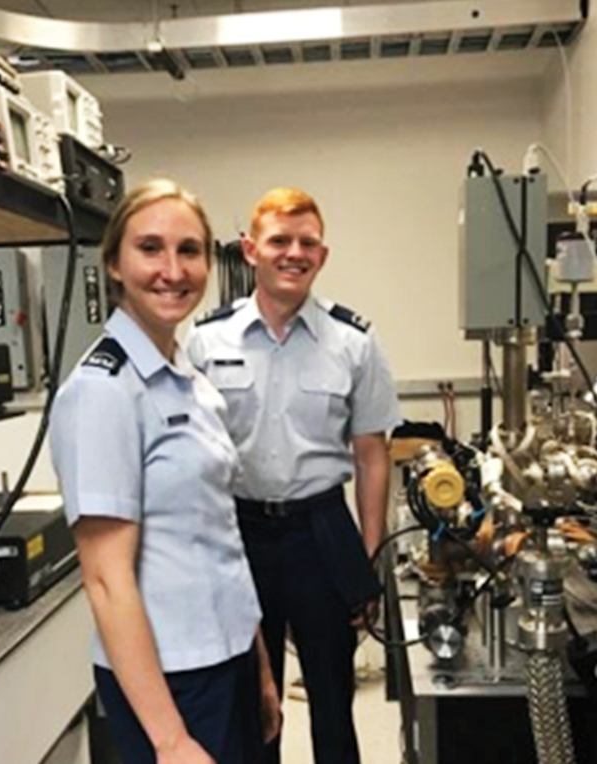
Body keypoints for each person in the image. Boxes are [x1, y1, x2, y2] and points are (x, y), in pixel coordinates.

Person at [49, 178, 281, 764]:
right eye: (150, 248)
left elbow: (217, 537)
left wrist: (256, 665)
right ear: (114, 264)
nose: (172, 270)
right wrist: (170, 739)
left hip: (224, 662)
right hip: (170, 681)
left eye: (189, 250)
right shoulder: (103, 391)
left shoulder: (189, 377)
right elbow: (105, 580)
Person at [186, 187, 399, 764]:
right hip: (239, 534)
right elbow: (192, 455)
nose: (294, 253)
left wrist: (369, 553)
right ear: (250, 250)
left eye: (307, 242)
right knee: (253, 703)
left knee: (334, 702)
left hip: (320, 530)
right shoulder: (207, 340)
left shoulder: (353, 341)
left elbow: (371, 453)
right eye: (280, 240)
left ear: (322, 256)